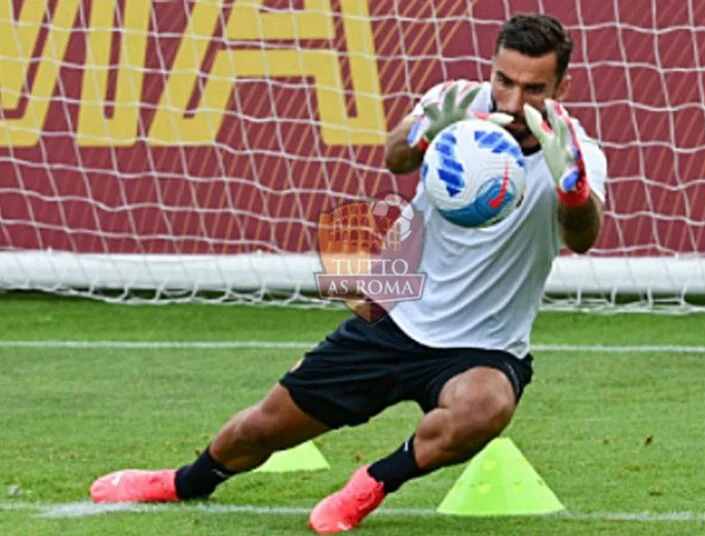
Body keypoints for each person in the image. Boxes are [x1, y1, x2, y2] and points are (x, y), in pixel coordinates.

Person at [89, 13, 607, 534]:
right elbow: (395, 157)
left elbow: (582, 237)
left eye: (534, 89)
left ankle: (372, 484)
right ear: (492, 70)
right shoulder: (457, 105)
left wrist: (573, 189)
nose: (513, 103)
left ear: (563, 85)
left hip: (484, 346)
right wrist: (427, 129)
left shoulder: (577, 154)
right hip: (393, 313)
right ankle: (183, 482)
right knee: (260, 430)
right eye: (504, 81)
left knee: (484, 409)